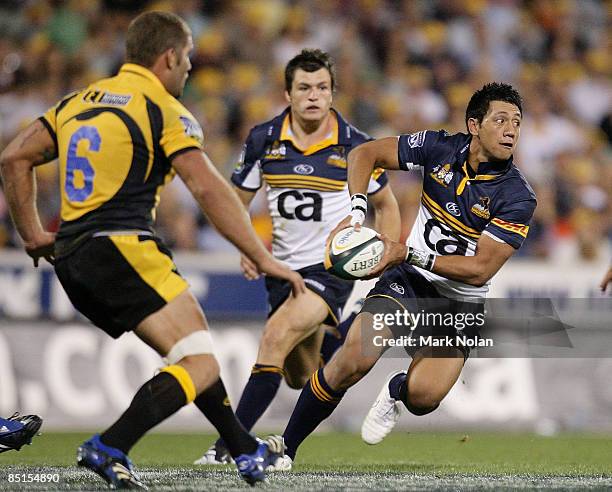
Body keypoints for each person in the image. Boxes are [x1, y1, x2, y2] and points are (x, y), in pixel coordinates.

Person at [0, 11, 303, 489]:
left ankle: (243, 449)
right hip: (122, 246)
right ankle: (111, 444)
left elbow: (14, 156)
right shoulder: (163, 109)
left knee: (194, 351)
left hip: (73, 257)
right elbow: (206, 189)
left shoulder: (75, 102)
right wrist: (263, 256)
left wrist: (34, 234)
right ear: (168, 57)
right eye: (186, 59)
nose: (188, 70)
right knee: (200, 361)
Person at [267, 82, 537, 469]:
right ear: (474, 125)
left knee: (424, 398)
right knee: (352, 360)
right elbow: (365, 153)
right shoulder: (440, 147)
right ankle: (285, 449)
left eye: (517, 122)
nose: (511, 129)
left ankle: (398, 389)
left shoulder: (517, 196)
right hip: (410, 282)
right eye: (501, 120)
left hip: (460, 302)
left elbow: (479, 271)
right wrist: (357, 212)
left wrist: (406, 251)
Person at [195, 49, 400, 465]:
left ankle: (228, 447)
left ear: (332, 93)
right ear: (287, 92)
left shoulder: (357, 146)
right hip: (281, 271)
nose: (313, 96)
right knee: (298, 375)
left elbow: (388, 206)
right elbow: (236, 202)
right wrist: (246, 246)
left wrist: (381, 260)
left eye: (322, 88)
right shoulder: (264, 139)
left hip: (330, 272)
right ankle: (339, 336)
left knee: (273, 336)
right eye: (304, 88)